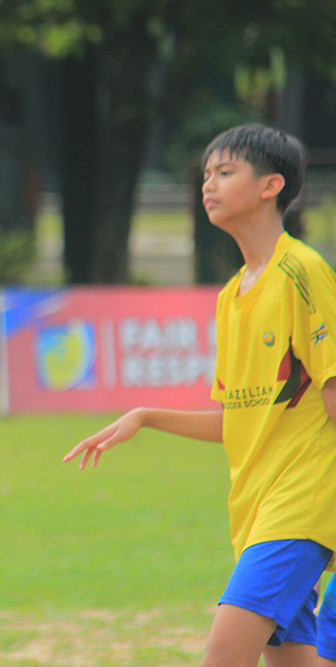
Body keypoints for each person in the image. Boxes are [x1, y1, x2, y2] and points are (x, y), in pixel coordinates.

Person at [65, 124, 336, 667]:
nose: (208, 184)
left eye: (225, 172)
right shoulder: (231, 296)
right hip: (255, 510)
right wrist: (144, 416)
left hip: (299, 507)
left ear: (271, 186)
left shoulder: (302, 272)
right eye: (206, 173)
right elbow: (238, 418)